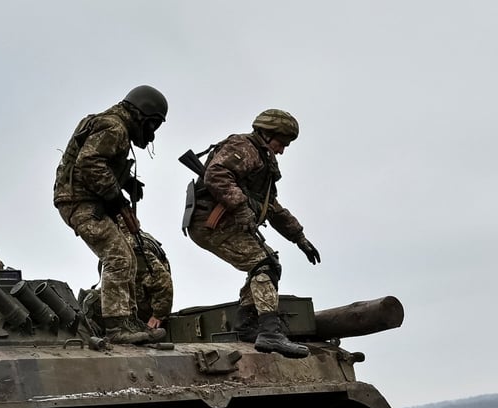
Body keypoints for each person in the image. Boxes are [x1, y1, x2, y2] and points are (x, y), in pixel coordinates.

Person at [185, 109, 320, 359]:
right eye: (281, 143)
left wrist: (299, 237)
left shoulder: (262, 159)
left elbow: (271, 207)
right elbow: (216, 174)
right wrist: (239, 206)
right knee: (263, 265)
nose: (282, 150)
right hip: (210, 223)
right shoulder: (244, 147)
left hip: (224, 224)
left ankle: (248, 326)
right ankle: (269, 331)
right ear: (267, 134)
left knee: (270, 264)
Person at [53, 85, 169, 345]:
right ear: (142, 117)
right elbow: (89, 163)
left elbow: (99, 160)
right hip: (80, 202)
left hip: (85, 200)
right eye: (153, 126)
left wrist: (126, 181)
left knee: (126, 256)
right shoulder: (114, 127)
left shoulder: (112, 124)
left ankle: (128, 320)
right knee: (117, 256)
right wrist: (117, 197)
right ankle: (117, 327)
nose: (151, 135)